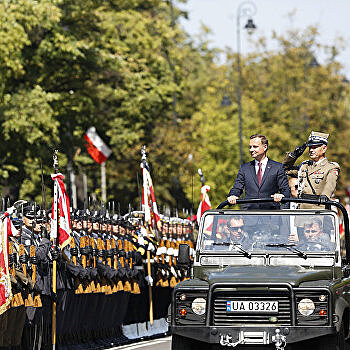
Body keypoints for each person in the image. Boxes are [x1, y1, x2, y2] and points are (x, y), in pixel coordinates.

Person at [227, 134, 291, 209]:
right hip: (250, 215)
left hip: (271, 216)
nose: (251, 150)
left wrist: (281, 196)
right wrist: (233, 196)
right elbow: (237, 188)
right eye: (250, 147)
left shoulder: (278, 167)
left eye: (255, 147)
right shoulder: (244, 168)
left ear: (265, 147)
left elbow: (286, 190)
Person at [283, 131, 340, 209]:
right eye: (310, 147)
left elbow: (330, 185)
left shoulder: (330, 167)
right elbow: (284, 169)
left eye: (315, 147)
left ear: (324, 149)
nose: (311, 150)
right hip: (302, 209)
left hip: (319, 209)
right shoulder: (304, 166)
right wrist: (293, 156)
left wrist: (325, 196)